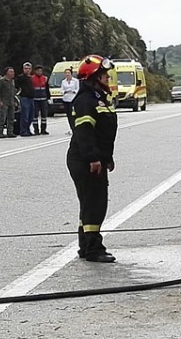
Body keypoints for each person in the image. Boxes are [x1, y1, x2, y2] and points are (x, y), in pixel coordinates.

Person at [67, 54, 118, 263]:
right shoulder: (85, 101)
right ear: (93, 77)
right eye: (104, 74)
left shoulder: (98, 98)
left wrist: (106, 158)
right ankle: (93, 249)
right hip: (85, 160)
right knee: (95, 204)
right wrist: (94, 158)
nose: (107, 78)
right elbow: (85, 133)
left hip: (94, 158)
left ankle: (86, 245)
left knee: (90, 203)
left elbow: (103, 134)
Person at [14, 62, 35, 137]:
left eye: (29, 69)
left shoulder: (32, 78)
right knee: (25, 116)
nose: (27, 70)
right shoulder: (20, 77)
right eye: (26, 69)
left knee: (30, 116)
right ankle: (23, 131)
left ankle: (28, 129)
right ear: (23, 69)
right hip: (24, 98)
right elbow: (16, 86)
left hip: (31, 98)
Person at [0, 67, 16, 138]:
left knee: (11, 117)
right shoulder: (2, 81)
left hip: (11, 101)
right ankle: (0, 132)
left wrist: (14, 101)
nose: (12, 73)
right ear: (6, 72)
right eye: (11, 72)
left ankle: (10, 132)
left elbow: (13, 92)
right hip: (4, 101)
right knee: (3, 118)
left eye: (13, 72)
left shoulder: (12, 81)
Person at [31, 64, 51, 135]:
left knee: (44, 115)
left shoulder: (45, 78)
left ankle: (43, 130)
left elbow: (47, 89)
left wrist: (49, 98)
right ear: (35, 71)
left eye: (40, 71)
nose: (39, 72)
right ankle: (36, 130)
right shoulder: (32, 78)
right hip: (35, 99)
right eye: (38, 71)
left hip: (43, 99)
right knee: (35, 115)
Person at [61, 67, 79, 133]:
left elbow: (78, 89)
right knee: (68, 115)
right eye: (66, 73)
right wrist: (65, 91)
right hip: (66, 99)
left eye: (68, 73)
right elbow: (62, 90)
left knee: (73, 114)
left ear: (71, 73)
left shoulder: (75, 81)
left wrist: (73, 91)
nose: (67, 74)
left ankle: (75, 127)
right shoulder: (63, 81)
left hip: (73, 99)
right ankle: (71, 128)